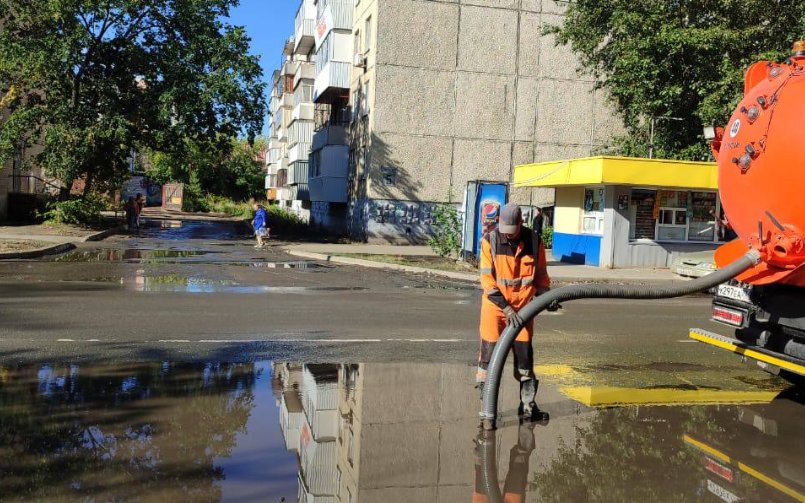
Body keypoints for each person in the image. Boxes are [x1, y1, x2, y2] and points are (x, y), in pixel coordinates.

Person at [477, 203, 551, 421]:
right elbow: (488, 281)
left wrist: (547, 296)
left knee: (524, 359)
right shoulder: (489, 241)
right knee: (488, 359)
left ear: (521, 224)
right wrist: (506, 308)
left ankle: (528, 407)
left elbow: (541, 276)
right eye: (504, 230)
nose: (508, 236)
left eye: (513, 231)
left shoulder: (534, 241)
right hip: (496, 309)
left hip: (523, 311)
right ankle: (487, 411)